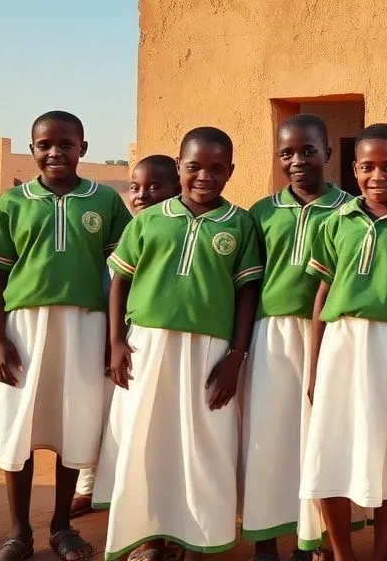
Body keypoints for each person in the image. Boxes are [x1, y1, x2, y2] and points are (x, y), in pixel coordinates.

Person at [0, 111, 131, 561]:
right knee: (19, 427)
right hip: (24, 326)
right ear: (32, 147)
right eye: (45, 144)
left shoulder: (105, 202)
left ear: (84, 147)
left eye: (66, 143)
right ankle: (19, 533)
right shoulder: (12, 203)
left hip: (84, 324)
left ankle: (61, 526)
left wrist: (111, 335)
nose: (55, 152)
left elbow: (116, 275)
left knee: (72, 423)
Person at [102, 127, 262, 561]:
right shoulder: (150, 220)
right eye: (194, 167)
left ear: (230, 172)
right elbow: (120, 281)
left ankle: (198, 538)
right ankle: (150, 536)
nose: (204, 177)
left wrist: (236, 355)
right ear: (179, 168)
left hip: (210, 351)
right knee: (148, 439)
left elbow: (247, 293)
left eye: (216, 169)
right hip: (147, 346)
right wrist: (116, 341)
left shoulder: (241, 223)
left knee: (204, 443)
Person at [302, 124, 387, 561]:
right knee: (330, 451)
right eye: (367, 167)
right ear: (353, 169)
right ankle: (342, 553)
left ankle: (379, 554)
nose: (378, 176)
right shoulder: (334, 220)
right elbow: (322, 292)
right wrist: (315, 365)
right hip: (340, 345)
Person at [244, 114, 349, 558]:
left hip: (329, 335)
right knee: (267, 437)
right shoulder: (261, 212)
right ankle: (265, 539)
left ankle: (314, 539)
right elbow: (248, 283)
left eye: (308, 151)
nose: (298, 160)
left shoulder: (351, 210)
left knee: (318, 438)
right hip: (271, 335)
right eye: (287, 152)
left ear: (328, 153)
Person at [78, 155, 181, 517]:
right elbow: (113, 287)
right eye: (135, 188)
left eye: (155, 187)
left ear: (177, 187)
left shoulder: (176, 233)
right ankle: (91, 486)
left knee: (142, 420)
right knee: (105, 415)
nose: (142, 195)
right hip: (115, 338)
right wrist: (113, 339)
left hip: (149, 343)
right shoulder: (125, 234)